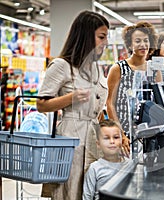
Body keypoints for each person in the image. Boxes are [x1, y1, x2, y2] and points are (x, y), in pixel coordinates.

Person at [36, 10, 112, 200]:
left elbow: (98, 106)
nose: (106, 43)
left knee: (90, 191)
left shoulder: (95, 68)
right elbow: (41, 105)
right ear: (86, 36)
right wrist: (72, 97)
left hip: (93, 138)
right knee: (68, 192)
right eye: (101, 37)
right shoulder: (61, 66)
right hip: (70, 140)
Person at [106, 21, 162, 135]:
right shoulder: (118, 68)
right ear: (130, 45)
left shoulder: (155, 70)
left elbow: (159, 103)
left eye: (146, 40)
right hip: (124, 131)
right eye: (137, 41)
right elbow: (110, 103)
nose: (143, 44)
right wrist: (119, 133)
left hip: (150, 131)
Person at [83, 119, 130, 200]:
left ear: (122, 141)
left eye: (116, 137)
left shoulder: (130, 165)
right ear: (98, 144)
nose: (112, 141)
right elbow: (87, 197)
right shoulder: (94, 168)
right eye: (106, 138)